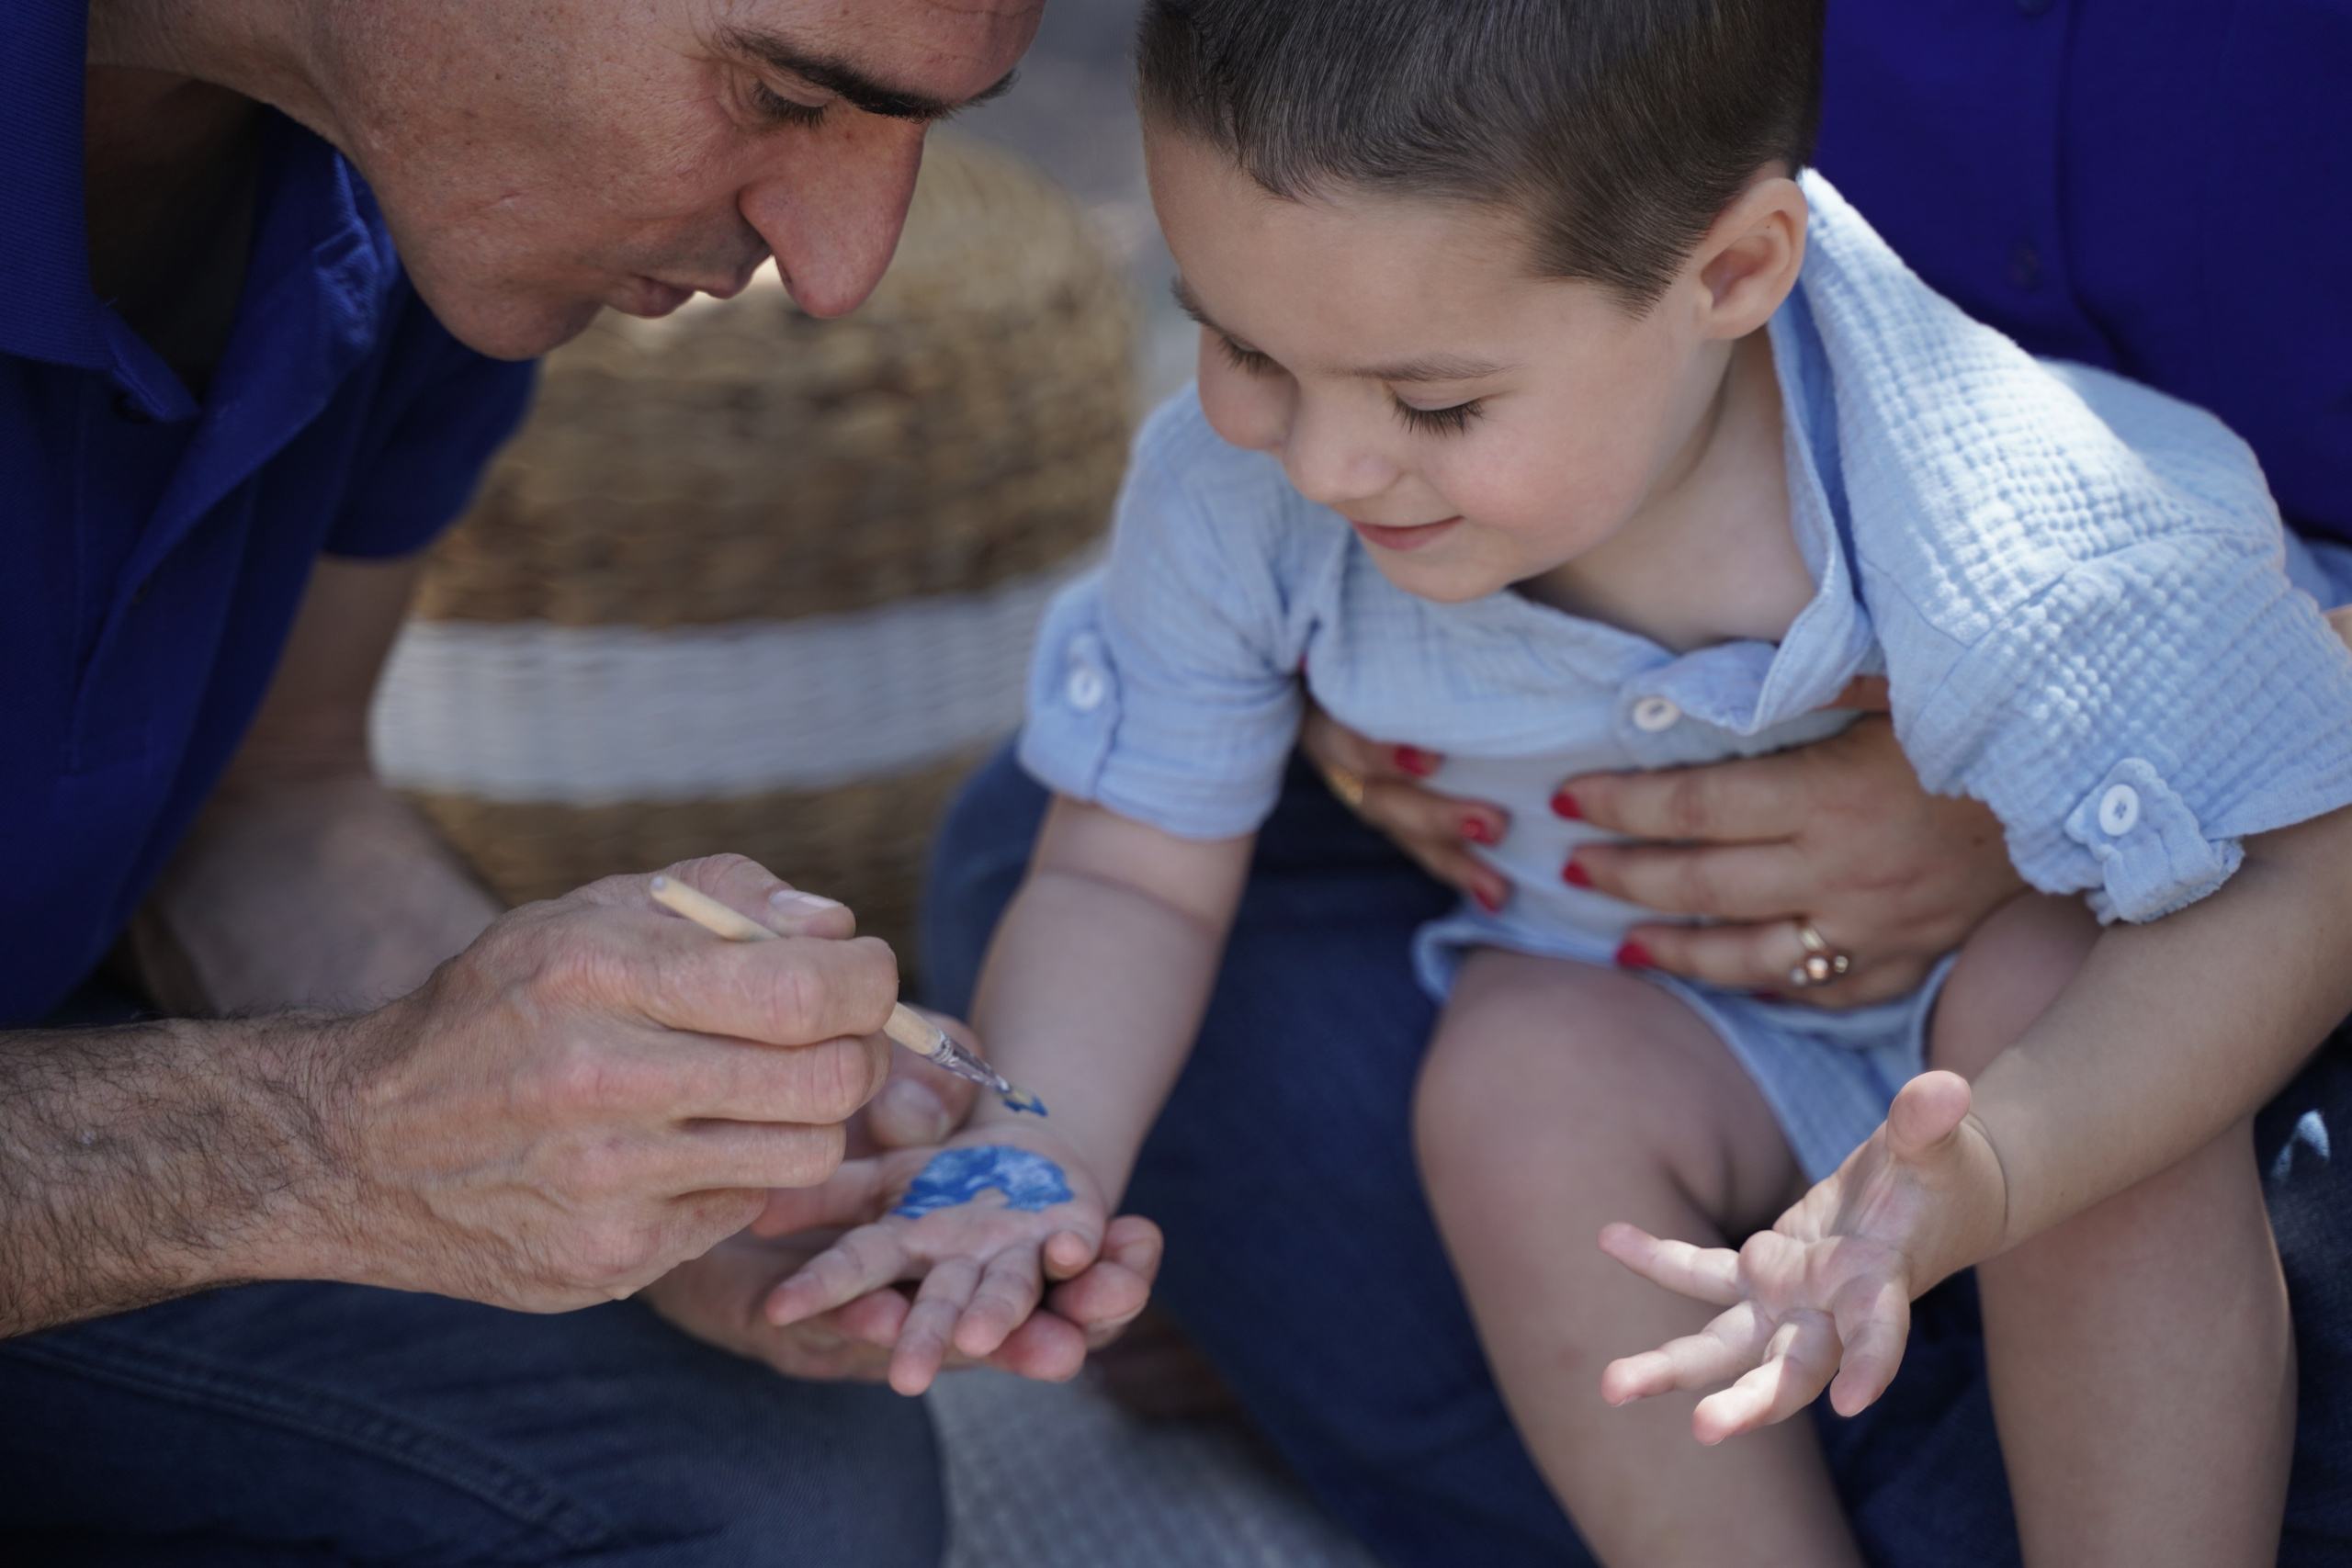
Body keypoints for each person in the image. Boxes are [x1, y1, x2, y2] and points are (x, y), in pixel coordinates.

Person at [921, 1, 2352, 1565]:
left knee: (2050, 1016)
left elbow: (2309, 870)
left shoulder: (2037, 540)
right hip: (1672, 1008)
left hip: (2089, 994)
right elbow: (1127, 871)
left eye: (1435, 404)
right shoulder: (1243, 482)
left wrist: (1992, 1174)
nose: (1321, 464)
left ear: (1732, 276)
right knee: (1516, 1079)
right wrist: (1039, 1150)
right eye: (1241, 342)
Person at [0, 0, 1158, 1560]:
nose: (838, 268)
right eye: (782, 94)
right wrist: (319, 1144)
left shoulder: (406, 178)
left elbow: (264, 805)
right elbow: (312, 1131)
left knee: (784, 1505)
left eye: (923, 130)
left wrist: (614, 1153)